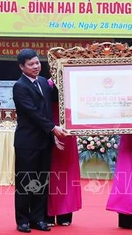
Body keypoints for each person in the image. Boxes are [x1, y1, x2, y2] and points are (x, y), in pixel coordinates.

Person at [13, 48, 67, 233]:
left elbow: (58, 100)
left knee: (42, 182)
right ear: (22, 67)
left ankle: (38, 218)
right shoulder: (19, 86)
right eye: (31, 64)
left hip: (44, 142)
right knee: (25, 182)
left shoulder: (44, 82)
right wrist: (53, 128)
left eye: (37, 63)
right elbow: (33, 113)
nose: (36, 66)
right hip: (27, 143)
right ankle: (23, 220)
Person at [46, 79, 82, 227]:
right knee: (51, 173)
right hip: (50, 128)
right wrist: (50, 131)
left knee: (67, 173)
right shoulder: (45, 84)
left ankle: (65, 213)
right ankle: (47, 214)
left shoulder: (75, 80)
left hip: (69, 128)